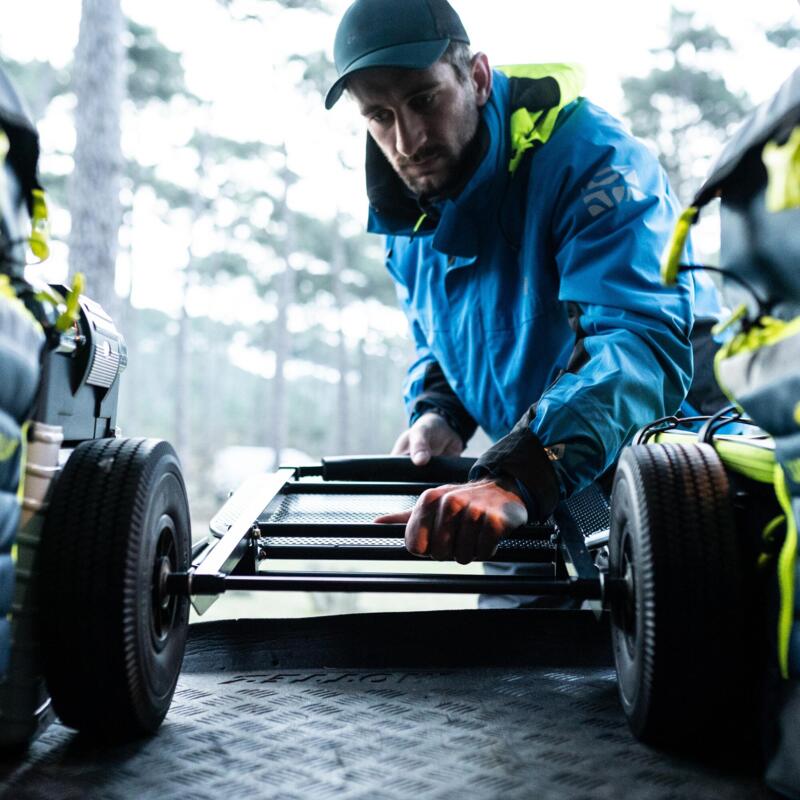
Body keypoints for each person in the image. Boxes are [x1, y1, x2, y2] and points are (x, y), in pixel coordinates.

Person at [324, 0, 724, 565]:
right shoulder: (407, 219)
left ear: (478, 78)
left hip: (675, 462)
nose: (408, 141)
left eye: (423, 100)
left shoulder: (594, 161)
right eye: (380, 116)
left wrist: (515, 476)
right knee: (509, 652)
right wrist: (440, 411)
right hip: (536, 482)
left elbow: (638, 344)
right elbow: (438, 338)